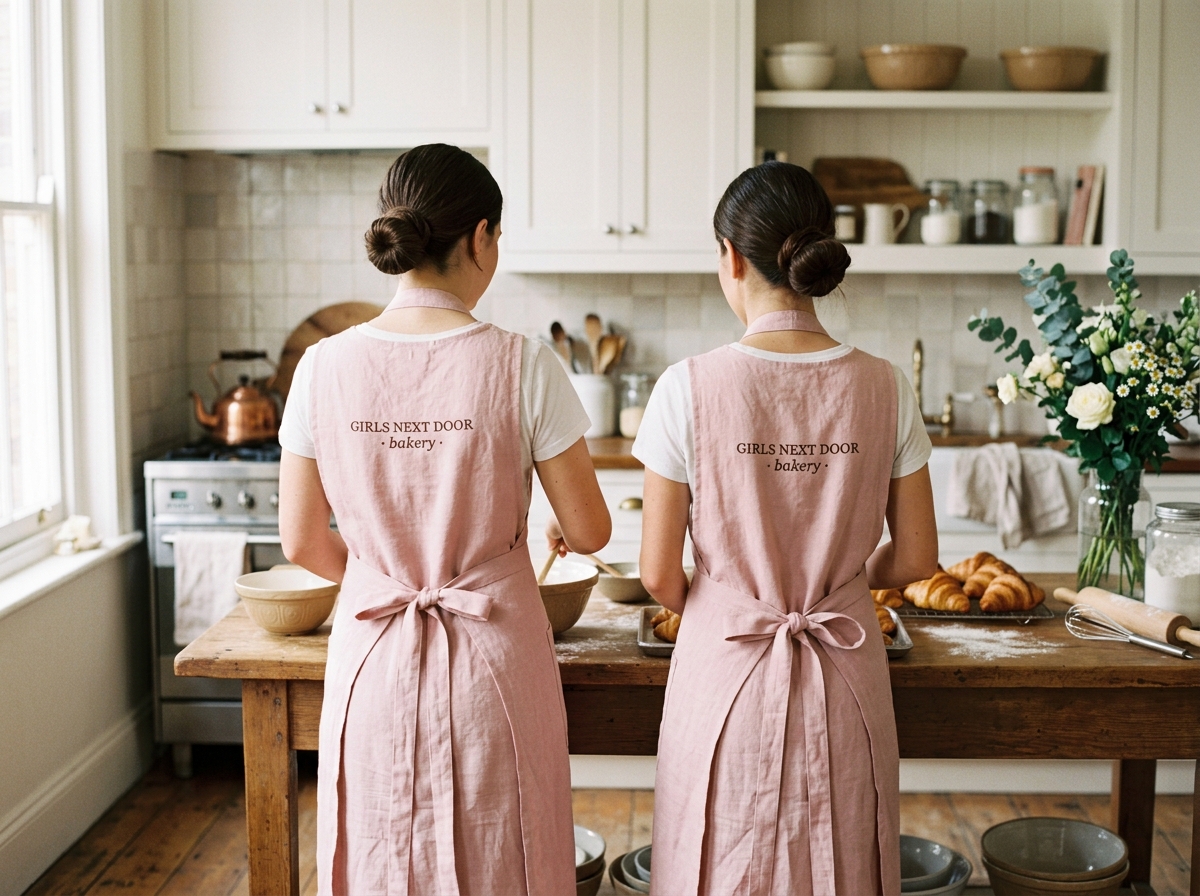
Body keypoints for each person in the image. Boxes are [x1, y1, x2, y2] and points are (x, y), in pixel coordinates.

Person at [278, 143, 611, 896]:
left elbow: (301, 538)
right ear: (482, 237)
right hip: (494, 659)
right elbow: (590, 533)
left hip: (371, 656)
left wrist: (380, 574)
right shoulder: (524, 363)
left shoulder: (322, 367)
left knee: (378, 855)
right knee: (505, 858)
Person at [635, 161, 938, 896]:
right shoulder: (886, 383)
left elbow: (657, 576)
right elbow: (920, 556)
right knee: (841, 865)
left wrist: (728, 602)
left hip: (723, 677)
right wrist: (840, 585)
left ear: (731, 258)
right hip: (847, 671)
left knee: (719, 861)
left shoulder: (687, 386)